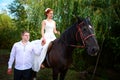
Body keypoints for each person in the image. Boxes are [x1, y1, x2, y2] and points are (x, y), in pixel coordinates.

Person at [32, 8, 60, 72]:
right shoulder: (44, 21)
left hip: (52, 36)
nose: (52, 15)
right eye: (50, 13)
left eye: (52, 13)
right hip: (46, 36)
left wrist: (57, 32)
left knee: (57, 46)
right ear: (47, 14)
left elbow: (54, 31)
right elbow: (42, 30)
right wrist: (43, 37)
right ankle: (42, 62)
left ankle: (55, 60)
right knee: (44, 46)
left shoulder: (54, 22)